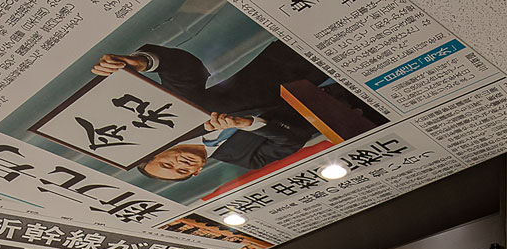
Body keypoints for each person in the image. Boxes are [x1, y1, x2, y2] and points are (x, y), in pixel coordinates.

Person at [92, 41, 334, 179]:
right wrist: (247, 124)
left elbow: (186, 69)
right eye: (183, 171)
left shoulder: (179, 117)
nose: (181, 164)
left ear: (159, 151)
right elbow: (295, 138)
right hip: (341, 96)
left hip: (300, 57)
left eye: (168, 164)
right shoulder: (247, 160)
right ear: (197, 171)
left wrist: (143, 62)